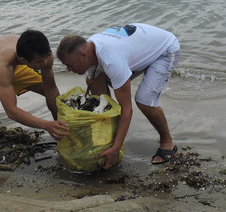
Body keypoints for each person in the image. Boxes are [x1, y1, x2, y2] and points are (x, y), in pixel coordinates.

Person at [57, 23, 181, 169]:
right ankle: (107, 140)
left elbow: (127, 109)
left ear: (84, 55)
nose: (69, 70)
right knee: (96, 90)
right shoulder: (89, 50)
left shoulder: (111, 60)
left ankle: (167, 142)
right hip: (137, 47)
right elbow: (101, 99)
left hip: (165, 50)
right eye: (66, 66)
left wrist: (115, 149)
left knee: (144, 100)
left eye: (70, 65)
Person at [0, 30, 68, 169]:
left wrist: (59, 125)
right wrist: (46, 125)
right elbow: (11, 111)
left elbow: (51, 89)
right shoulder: (3, 63)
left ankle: (62, 137)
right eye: (40, 61)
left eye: (47, 56)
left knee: (47, 90)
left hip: (17, 66)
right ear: (24, 60)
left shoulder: (45, 56)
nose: (46, 63)